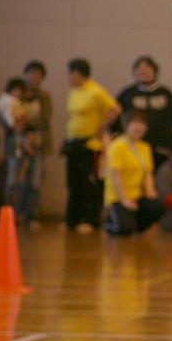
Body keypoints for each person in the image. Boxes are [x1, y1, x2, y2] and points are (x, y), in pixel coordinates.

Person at [63, 58, 122, 234]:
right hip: (73, 142)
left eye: (70, 73)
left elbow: (115, 109)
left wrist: (100, 128)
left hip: (90, 144)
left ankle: (90, 219)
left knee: (89, 183)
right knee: (73, 183)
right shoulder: (73, 92)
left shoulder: (95, 90)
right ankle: (71, 220)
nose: (68, 77)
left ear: (78, 73)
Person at [103, 112, 164, 236]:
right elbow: (116, 175)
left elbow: (148, 173)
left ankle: (138, 227)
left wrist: (150, 193)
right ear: (126, 125)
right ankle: (109, 223)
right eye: (135, 123)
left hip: (137, 195)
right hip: (118, 197)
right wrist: (124, 199)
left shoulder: (145, 147)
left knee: (158, 205)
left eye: (142, 124)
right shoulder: (117, 146)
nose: (139, 127)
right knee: (124, 230)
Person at [113, 55, 172, 170]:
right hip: (133, 147)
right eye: (139, 68)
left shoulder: (166, 93)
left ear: (155, 70)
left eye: (147, 68)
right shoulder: (127, 94)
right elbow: (115, 116)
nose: (143, 71)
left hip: (160, 147)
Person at [6, 127, 44, 228]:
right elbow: (13, 178)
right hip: (17, 183)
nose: (30, 139)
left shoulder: (38, 154)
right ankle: (14, 215)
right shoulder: (16, 152)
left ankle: (31, 217)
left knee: (34, 187)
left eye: (33, 137)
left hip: (30, 184)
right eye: (27, 137)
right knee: (15, 187)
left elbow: (37, 178)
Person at [22, 60, 54, 159]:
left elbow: (45, 117)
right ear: (25, 74)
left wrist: (25, 122)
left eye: (38, 75)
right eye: (31, 74)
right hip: (19, 139)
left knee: (36, 172)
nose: (34, 78)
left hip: (39, 139)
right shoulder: (18, 93)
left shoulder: (45, 96)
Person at [0, 77, 28, 156]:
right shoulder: (8, 101)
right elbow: (7, 115)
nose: (18, 93)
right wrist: (13, 124)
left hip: (21, 129)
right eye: (16, 90)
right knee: (13, 157)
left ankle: (21, 149)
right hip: (11, 132)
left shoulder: (18, 102)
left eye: (20, 91)